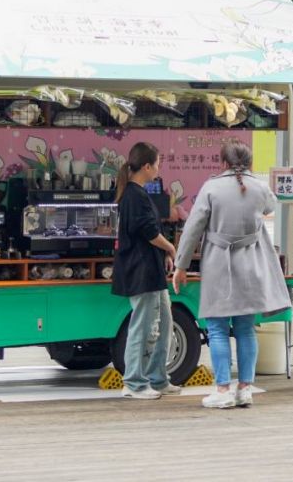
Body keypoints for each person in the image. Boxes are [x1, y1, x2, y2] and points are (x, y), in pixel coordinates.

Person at [173, 142, 290, 409]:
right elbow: (270, 206)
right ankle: (245, 389)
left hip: (218, 261)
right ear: (249, 163)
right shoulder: (259, 187)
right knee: (246, 328)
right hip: (251, 262)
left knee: (217, 329)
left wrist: (181, 265)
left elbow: (193, 228)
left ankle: (223, 389)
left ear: (222, 163)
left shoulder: (211, 187)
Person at [111, 142, 179, 399]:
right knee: (143, 327)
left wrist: (163, 255)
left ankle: (158, 378)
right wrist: (170, 248)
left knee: (163, 325)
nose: (159, 169)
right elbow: (149, 232)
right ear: (147, 166)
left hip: (151, 271)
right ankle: (134, 383)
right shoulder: (134, 195)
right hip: (140, 272)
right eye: (158, 164)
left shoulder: (137, 193)